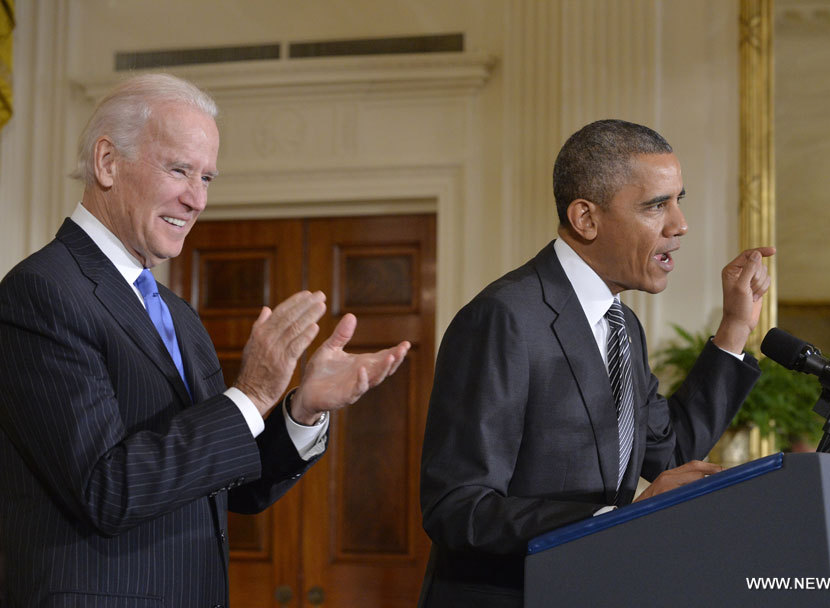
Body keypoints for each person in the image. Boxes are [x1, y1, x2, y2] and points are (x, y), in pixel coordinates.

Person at [0, 73, 410, 607]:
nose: (196, 199)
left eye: (208, 178)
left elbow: (226, 484)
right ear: (107, 162)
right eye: (179, 170)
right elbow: (107, 488)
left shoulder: (176, 314)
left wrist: (298, 410)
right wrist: (252, 394)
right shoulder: (42, 293)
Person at [418, 119, 773, 607]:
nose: (679, 224)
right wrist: (617, 517)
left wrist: (735, 325)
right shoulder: (504, 318)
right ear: (586, 218)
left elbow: (668, 455)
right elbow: (458, 508)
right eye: (656, 205)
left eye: (679, 200)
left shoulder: (623, 326)